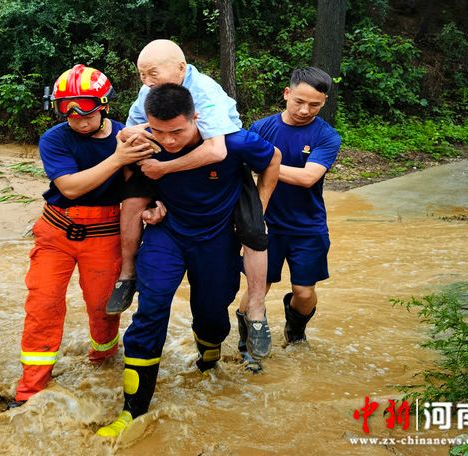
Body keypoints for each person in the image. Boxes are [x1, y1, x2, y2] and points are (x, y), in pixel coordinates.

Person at [96, 84, 281, 437]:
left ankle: (208, 353)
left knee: (211, 313)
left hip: (217, 239)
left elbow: (272, 160)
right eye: (158, 131)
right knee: (151, 309)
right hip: (168, 236)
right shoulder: (144, 143)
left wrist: (258, 208)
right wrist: (150, 206)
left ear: (196, 118)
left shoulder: (233, 143)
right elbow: (131, 183)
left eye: (177, 131)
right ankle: (132, 411)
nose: (168, 141)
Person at [106, 39, 273, 360]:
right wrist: (138, 135)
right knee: (132, 202)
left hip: (224, 167)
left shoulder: (205, 91)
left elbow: (217, 150)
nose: (146, 81)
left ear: (181, 69)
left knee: (254, 232)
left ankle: (256, 309)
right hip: (171, 166)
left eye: (152, 72)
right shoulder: (149, 92)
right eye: (141, 75)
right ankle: (127, 275)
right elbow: (124, 134)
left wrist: (162, 168)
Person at [6, 65, 158, 409]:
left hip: (105, 233)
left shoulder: (129, 137)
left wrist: (154, 206)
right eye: (66, 107)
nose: (76, 115)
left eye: (84, 105)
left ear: (103, 103)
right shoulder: (55, 139)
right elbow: (70, 188)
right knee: (43, 304)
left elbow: (148, 184)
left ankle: (102, 360)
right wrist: (118, 159)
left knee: (103, 307)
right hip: (56, 232)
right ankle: (30, 390)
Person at [238, 67, 341, 361]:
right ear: (287, 93)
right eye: (299, 101)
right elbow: (240, 170)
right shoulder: (260, 129)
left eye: (314, 105)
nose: (305, 110)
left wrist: (267, 164)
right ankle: (246, 348)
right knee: (259, 287)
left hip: (308, 226)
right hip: (265, 223)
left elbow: (309, 177)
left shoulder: (327, 136)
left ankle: (295, 332)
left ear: (323, 103)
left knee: (304, 292)